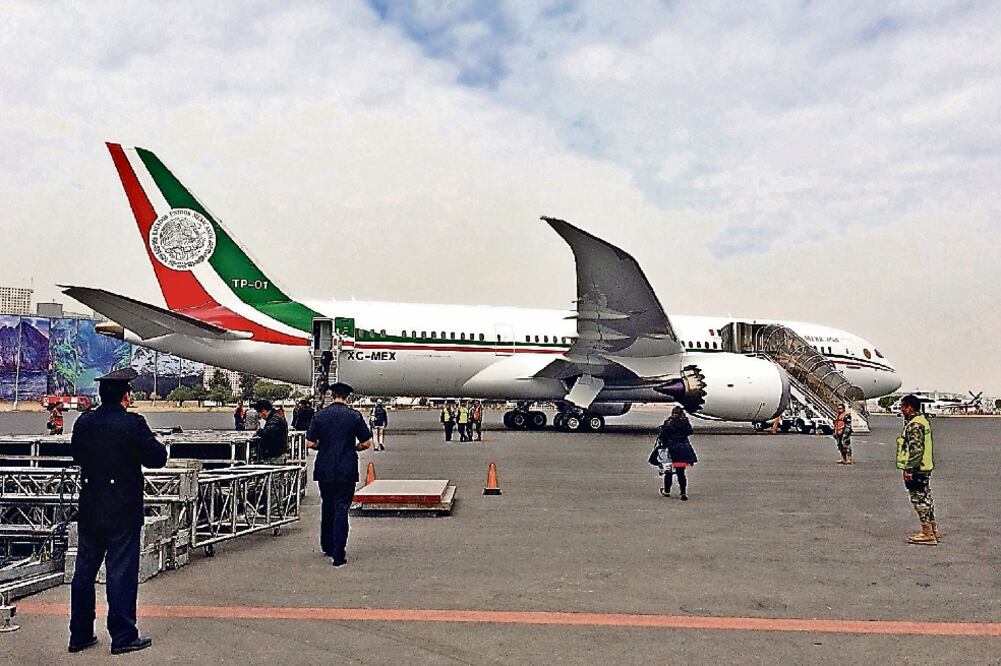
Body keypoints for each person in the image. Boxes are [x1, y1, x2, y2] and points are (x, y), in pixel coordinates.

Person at [68, 368, 167, 655]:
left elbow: (77, 455)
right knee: (120, 574)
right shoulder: (133, 424)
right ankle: (123, 636)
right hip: (122, 511)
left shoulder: (84, 422)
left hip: (90, 509)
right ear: (126, 395)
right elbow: (157, 459)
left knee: (84, 573)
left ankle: (80, 633)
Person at [306, 382, 372, 566]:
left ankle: (326, 545)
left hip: (325, 468)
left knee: (327, 506)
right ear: (347, 397)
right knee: (342, 508)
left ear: (332, 395)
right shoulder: (354, 416)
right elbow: (367, 442)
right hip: (346, 468)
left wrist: (323, 446)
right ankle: (338, 553)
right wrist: (354, 447)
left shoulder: (320, 416)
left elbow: (309, 443)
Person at [897, 394, 939, 545]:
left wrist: (909, 469)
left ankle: (927, 533)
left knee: (918, 500)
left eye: (903, 407)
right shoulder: (922, 421)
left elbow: (916, 449)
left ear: (909, 407)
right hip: (924, 467)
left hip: (917, 468)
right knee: (927, 499)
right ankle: (933, 529)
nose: (901, 410)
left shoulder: (915, 424)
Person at [649, 406, 698, 500]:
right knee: (681, 473)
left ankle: (667, 491)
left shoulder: (669, 422)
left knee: (668, 472)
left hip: (670, 450)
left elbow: (662, 435)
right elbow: (690, 432)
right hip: (683, 450)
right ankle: (683, 493)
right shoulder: (685, 422)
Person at [252, 399, 288, 464]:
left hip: (275, 456)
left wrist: (259, 432)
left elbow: (268, 433)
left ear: (263, 411)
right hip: (277, 453)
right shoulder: (276, 416)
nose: (260, 416)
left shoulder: (274, 419)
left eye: (259, 413)